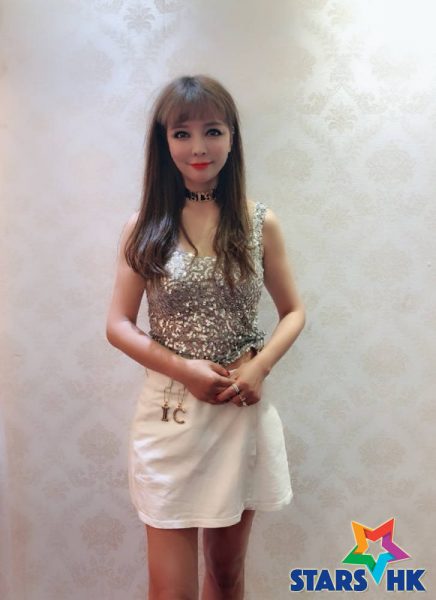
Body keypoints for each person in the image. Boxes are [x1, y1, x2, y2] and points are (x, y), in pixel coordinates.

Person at [106, 74, 306, 600]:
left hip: (240, 412)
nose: (199, 147)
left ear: (232, 138)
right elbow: (118, 325)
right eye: (182, 133)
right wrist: (184, 370)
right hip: (169, 416)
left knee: (226, 576)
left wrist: (259, 366)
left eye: (213, 131)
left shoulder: (259, 222)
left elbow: (293, 312)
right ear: (164, 142)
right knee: (171, 591)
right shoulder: (144, 227)